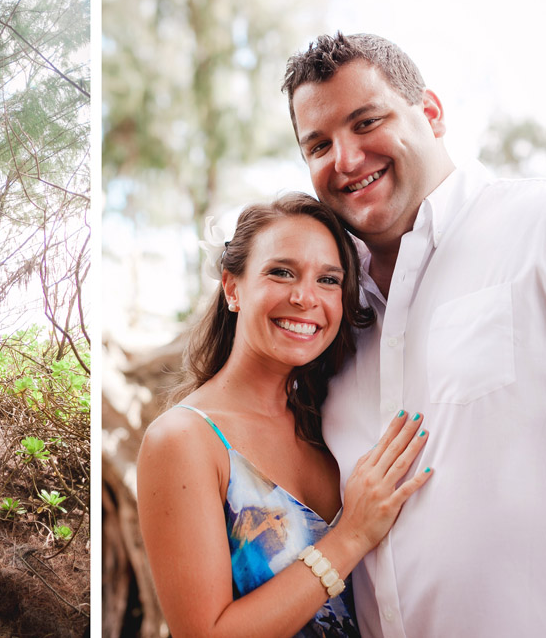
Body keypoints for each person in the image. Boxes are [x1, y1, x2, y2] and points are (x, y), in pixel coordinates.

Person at [282, 32, 546, 637]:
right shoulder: (320, 317)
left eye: (366, 121)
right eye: (318, 144)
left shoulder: (534, 228)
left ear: (430, 113)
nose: (345, 159)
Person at [137, 194, 433, 637]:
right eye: (281, 272)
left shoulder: (332, 421)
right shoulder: (183, 440)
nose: (304, 297)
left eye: (328, 280)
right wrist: (350, 536)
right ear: (232, 287)